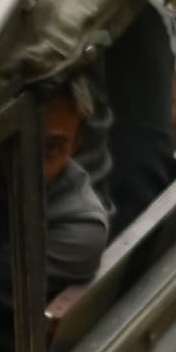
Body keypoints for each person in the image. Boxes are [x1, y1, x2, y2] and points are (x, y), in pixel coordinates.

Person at [39, 82, 110, 286]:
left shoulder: (78, 231)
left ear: (75, 145)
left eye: (51, 149)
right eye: (10, 142)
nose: (26, 164)